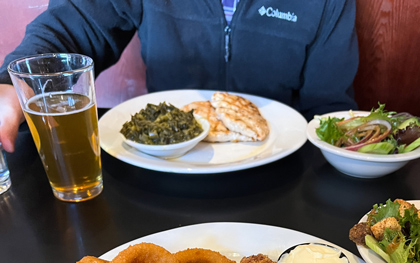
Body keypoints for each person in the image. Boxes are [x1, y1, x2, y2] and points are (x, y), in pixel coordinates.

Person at [0, 0, 359, 153]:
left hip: (280, 171)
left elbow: (328, 110)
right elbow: (70, 30)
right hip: (158, 163)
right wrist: (13, 86)